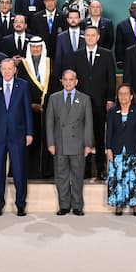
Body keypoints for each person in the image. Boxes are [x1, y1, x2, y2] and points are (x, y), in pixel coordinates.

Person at [0, 58, 33, 216]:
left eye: (9, 68)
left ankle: (20, 204)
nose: (6, 71)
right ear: (0, 70)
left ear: (14, 70)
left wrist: (29, 133)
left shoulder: (23, 86)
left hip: (17, 135)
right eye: (3, 68)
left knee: (19, 171)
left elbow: (27, 111)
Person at [46, 69, 93, 215]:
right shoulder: (54, 98)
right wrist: (51, 143)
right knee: (61, 176)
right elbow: (49, 122)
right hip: (59, 143)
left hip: (78, 144)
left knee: (77, 176)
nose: (68, 82)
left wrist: (88, 144)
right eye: (65, 79)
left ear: (76, 82)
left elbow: (88, 123)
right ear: (61, 81)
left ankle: (78, 205)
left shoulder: (85, 99)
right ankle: (64, 205)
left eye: (71, 79)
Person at [73, 26, 116, 181]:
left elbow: (111, 78)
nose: (90, 38)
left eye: (93, 35)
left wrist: (110, 98)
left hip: (100, 102)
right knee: (82, 137)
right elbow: (73, 80)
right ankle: (84, 170)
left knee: (99, 136)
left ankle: (100, 169)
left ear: (98, 37)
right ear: (84, 37)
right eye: (87, 35)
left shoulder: (106, 54)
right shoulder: (77, 55)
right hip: (81, 103)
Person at [105, 84, 136, 215]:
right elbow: (109, 132)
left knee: (135, 178)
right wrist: (108, 149)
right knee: (118, 178)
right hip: (117, 150)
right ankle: (119, 204)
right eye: (120, 94)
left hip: (134, 149)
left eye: (125, 93)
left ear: (131, 96)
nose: (123, 96)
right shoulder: (112, 112)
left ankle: (135, 204)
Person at [19, 36, 57, 178]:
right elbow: (20, 89)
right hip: (28, 110)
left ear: (42, 48)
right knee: (31, 140)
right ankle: (31, 171)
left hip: (47, 110)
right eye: (33, 47)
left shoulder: (50, 63)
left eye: (38, 47)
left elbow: (55, 87)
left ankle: (46, 171)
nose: (35, 50)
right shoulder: (23, 65)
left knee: (47, 139)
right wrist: (30, 105)